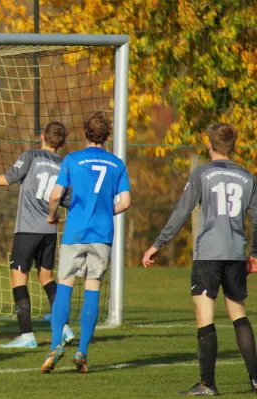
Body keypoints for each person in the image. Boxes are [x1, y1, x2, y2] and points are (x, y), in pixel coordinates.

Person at [142, 123, 257, 396]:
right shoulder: (248, 177)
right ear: (234, 146)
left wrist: (158, 244)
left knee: (205, 315)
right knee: (238, 314)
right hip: (235, 253)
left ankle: (207, 384)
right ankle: (255, 379)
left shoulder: (202, 173)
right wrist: (254, 253)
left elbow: (182, 212)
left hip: (208, 254)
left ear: (210, 145)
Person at [0, 122, 75, 348]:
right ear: (61, 144)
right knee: (47, 278)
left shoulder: (31, 156)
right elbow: (68, 201)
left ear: (42, 136)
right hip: (49, 231)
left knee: (18, 279)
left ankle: (27, 336)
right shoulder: (65, 165)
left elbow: (6, 179)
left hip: (27, 230)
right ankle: (65, 327)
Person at [41, 111, 131, 374]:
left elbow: (56, 195)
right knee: (93, 288)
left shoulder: (72, 159)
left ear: (85, 132)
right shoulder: (117, 164)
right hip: (102, 235)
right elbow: (125, 202)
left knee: (66, 285)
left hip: (76, 232)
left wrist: (52, 215)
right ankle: (81, 351)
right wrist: (104, 212)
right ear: (107, 135)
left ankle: (57, 344)